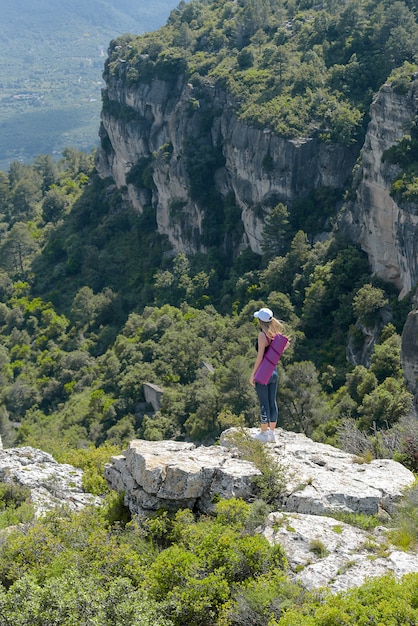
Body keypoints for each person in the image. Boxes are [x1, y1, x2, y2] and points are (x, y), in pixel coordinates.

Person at [249, 307, 287, 442]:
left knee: (264, 404)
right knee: (272, 402)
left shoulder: (262, 335)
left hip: (264, 373)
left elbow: (260, 357)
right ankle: (272, 433)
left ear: (260, 320)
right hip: (274, 372)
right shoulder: (276, 335)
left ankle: (264, 434)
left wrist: (253, 375)